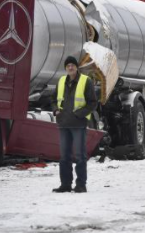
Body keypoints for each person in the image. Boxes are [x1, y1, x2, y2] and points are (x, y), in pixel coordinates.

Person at [51, 56, 98, 193]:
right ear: (65, 68)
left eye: (72, 65)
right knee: (64, 156)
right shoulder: (61, 81)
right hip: (63, 124)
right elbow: (53, 99)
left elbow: (92, 103)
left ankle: (81, 185)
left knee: (79, 156)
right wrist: (55, 110)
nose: (70, 67)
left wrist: (79, 114)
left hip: (78, 124)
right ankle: (65, 184)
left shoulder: (85, 81)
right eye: (68, 66)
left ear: (76, 67)